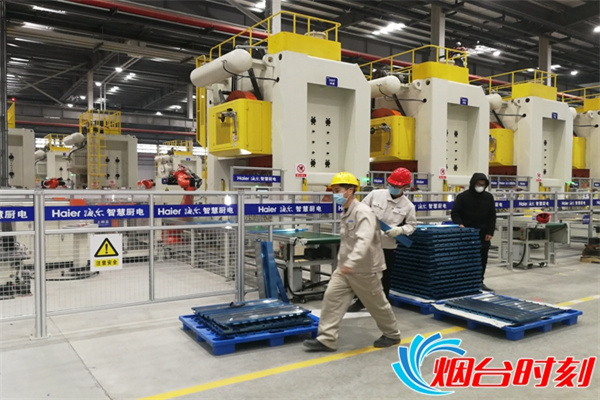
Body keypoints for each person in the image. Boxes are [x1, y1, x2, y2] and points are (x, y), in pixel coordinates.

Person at [303, 172, 402, 352]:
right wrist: (345, 264)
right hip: (345, 269)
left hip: (364, 269)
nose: (335, 194)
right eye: (333, 191)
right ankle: (327, 339)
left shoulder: (362, 212)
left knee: (377, 304)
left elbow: (364, 240)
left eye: (337, 190)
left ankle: (392, 334)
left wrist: (352, 262)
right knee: (332, 299)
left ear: (350, 191)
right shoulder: (347, 211)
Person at [347, 167, 417, 312]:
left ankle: (382, 303)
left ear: (405, 187)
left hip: (387, 245)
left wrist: (400, 230)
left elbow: (412, 225)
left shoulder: (408, 206)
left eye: (397, 186)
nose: (393, 187)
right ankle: (361, 301)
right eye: (391, 184)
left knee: (385, 275)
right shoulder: (375, 195)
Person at [450, 172, 497, 291]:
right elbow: (455, 213)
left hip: (483, 234)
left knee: (482, 259)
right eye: (478, 184)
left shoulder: (488, 197)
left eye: (483, 184)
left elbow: (492, 216)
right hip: (467, 233)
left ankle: (479, 282)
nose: (480, 186)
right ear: (472, 183)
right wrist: (460, 224)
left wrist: (490, 232)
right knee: (465, 259)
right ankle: (464, 282)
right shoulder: (462, 197)